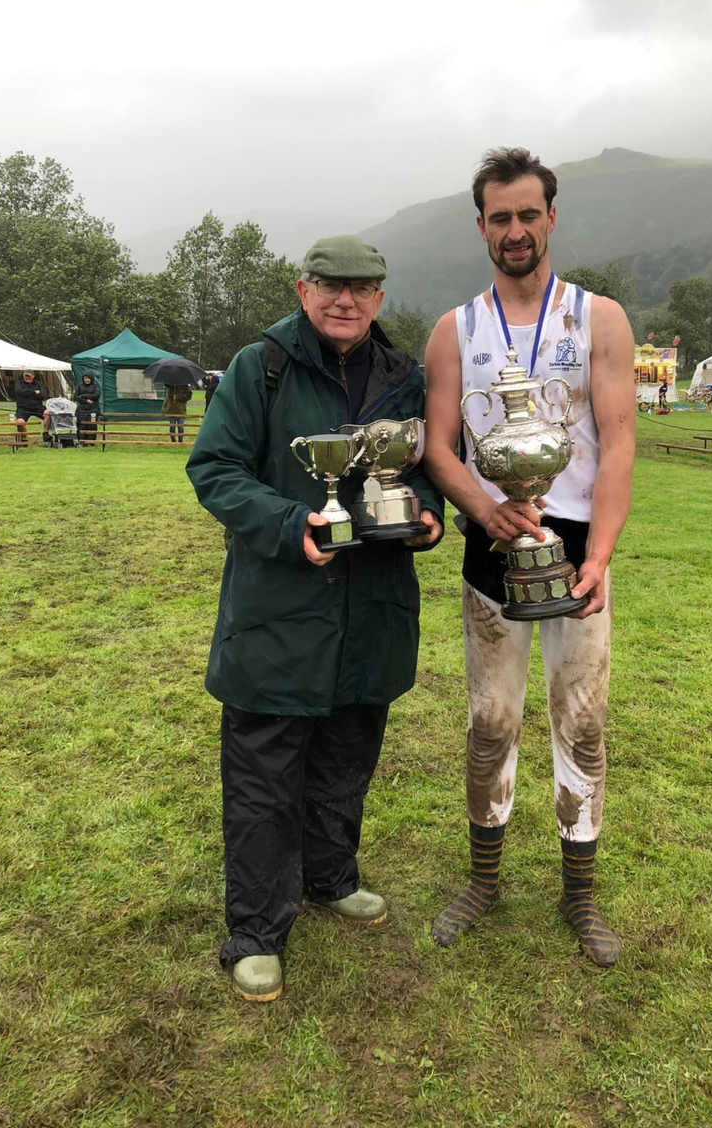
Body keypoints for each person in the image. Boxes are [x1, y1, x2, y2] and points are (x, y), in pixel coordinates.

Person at [186, 235, 444, 1002]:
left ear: (380, 298)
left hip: (372, 613)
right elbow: (215, 469)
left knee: (345, 761)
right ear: (302, 290)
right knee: (265, 776)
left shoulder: (404, 377)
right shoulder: (258, 367)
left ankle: (331, 878)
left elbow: (428, 471)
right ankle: (257, 930)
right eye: (330, 286)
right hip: (280, 612)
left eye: (362, 288)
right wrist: (287, 523)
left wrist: (425, 515)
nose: (345, 300)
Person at [423, 147, 635, 968]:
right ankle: (484, 882)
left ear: (551, 217)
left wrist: (602, 553)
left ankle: (578, 897)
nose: (514, 230)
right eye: (498, 217)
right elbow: (440, 449)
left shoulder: (599, 318)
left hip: (578, 550)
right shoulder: (456, 329)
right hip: (491, 546)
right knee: (489, 723)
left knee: (580, 723)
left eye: (527, 214)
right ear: (481, 226)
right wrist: (485, 508)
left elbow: (617, 445)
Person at [13, 371, 50, 446]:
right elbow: (20, 392)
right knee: (20, 422)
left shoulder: (38, 384)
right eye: (25, 376)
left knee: (48, 413)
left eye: (28, 376)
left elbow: (42, 395)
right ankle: (24, 439)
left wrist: (28, 394)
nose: (27, 377)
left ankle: (46, 433)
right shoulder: (19, 384)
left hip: (37, 407)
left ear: (33, 376)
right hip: (23, 408)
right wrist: (34, 392)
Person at [75, 373, 101, 446]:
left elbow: (96, 395)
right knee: (81, 425)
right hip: (82, 409)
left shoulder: (95, 386)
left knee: (91, 425)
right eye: (85, 378)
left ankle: (91, 442)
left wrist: (83, 395)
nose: (86, 380)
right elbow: (76, 397)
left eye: (88, 378)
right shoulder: (79, 386)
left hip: (93, 409)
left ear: (91, 378)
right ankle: (81, 442)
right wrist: (86, 401)